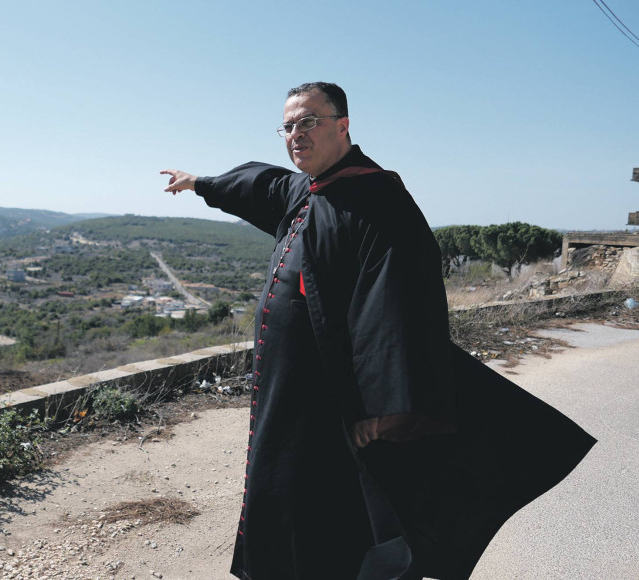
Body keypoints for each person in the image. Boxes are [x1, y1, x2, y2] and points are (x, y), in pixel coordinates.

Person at [160, 82, 595, 580]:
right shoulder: (307, 188)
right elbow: (260, 184)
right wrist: (199, 183)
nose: (296, 134)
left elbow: (394, 305)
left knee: (337, 510)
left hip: (332, 395)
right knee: (284, 493)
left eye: (309, 121)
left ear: (343, 126)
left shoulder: (377, 198)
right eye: (288, 125)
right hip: (288, 391)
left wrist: (383, 410)